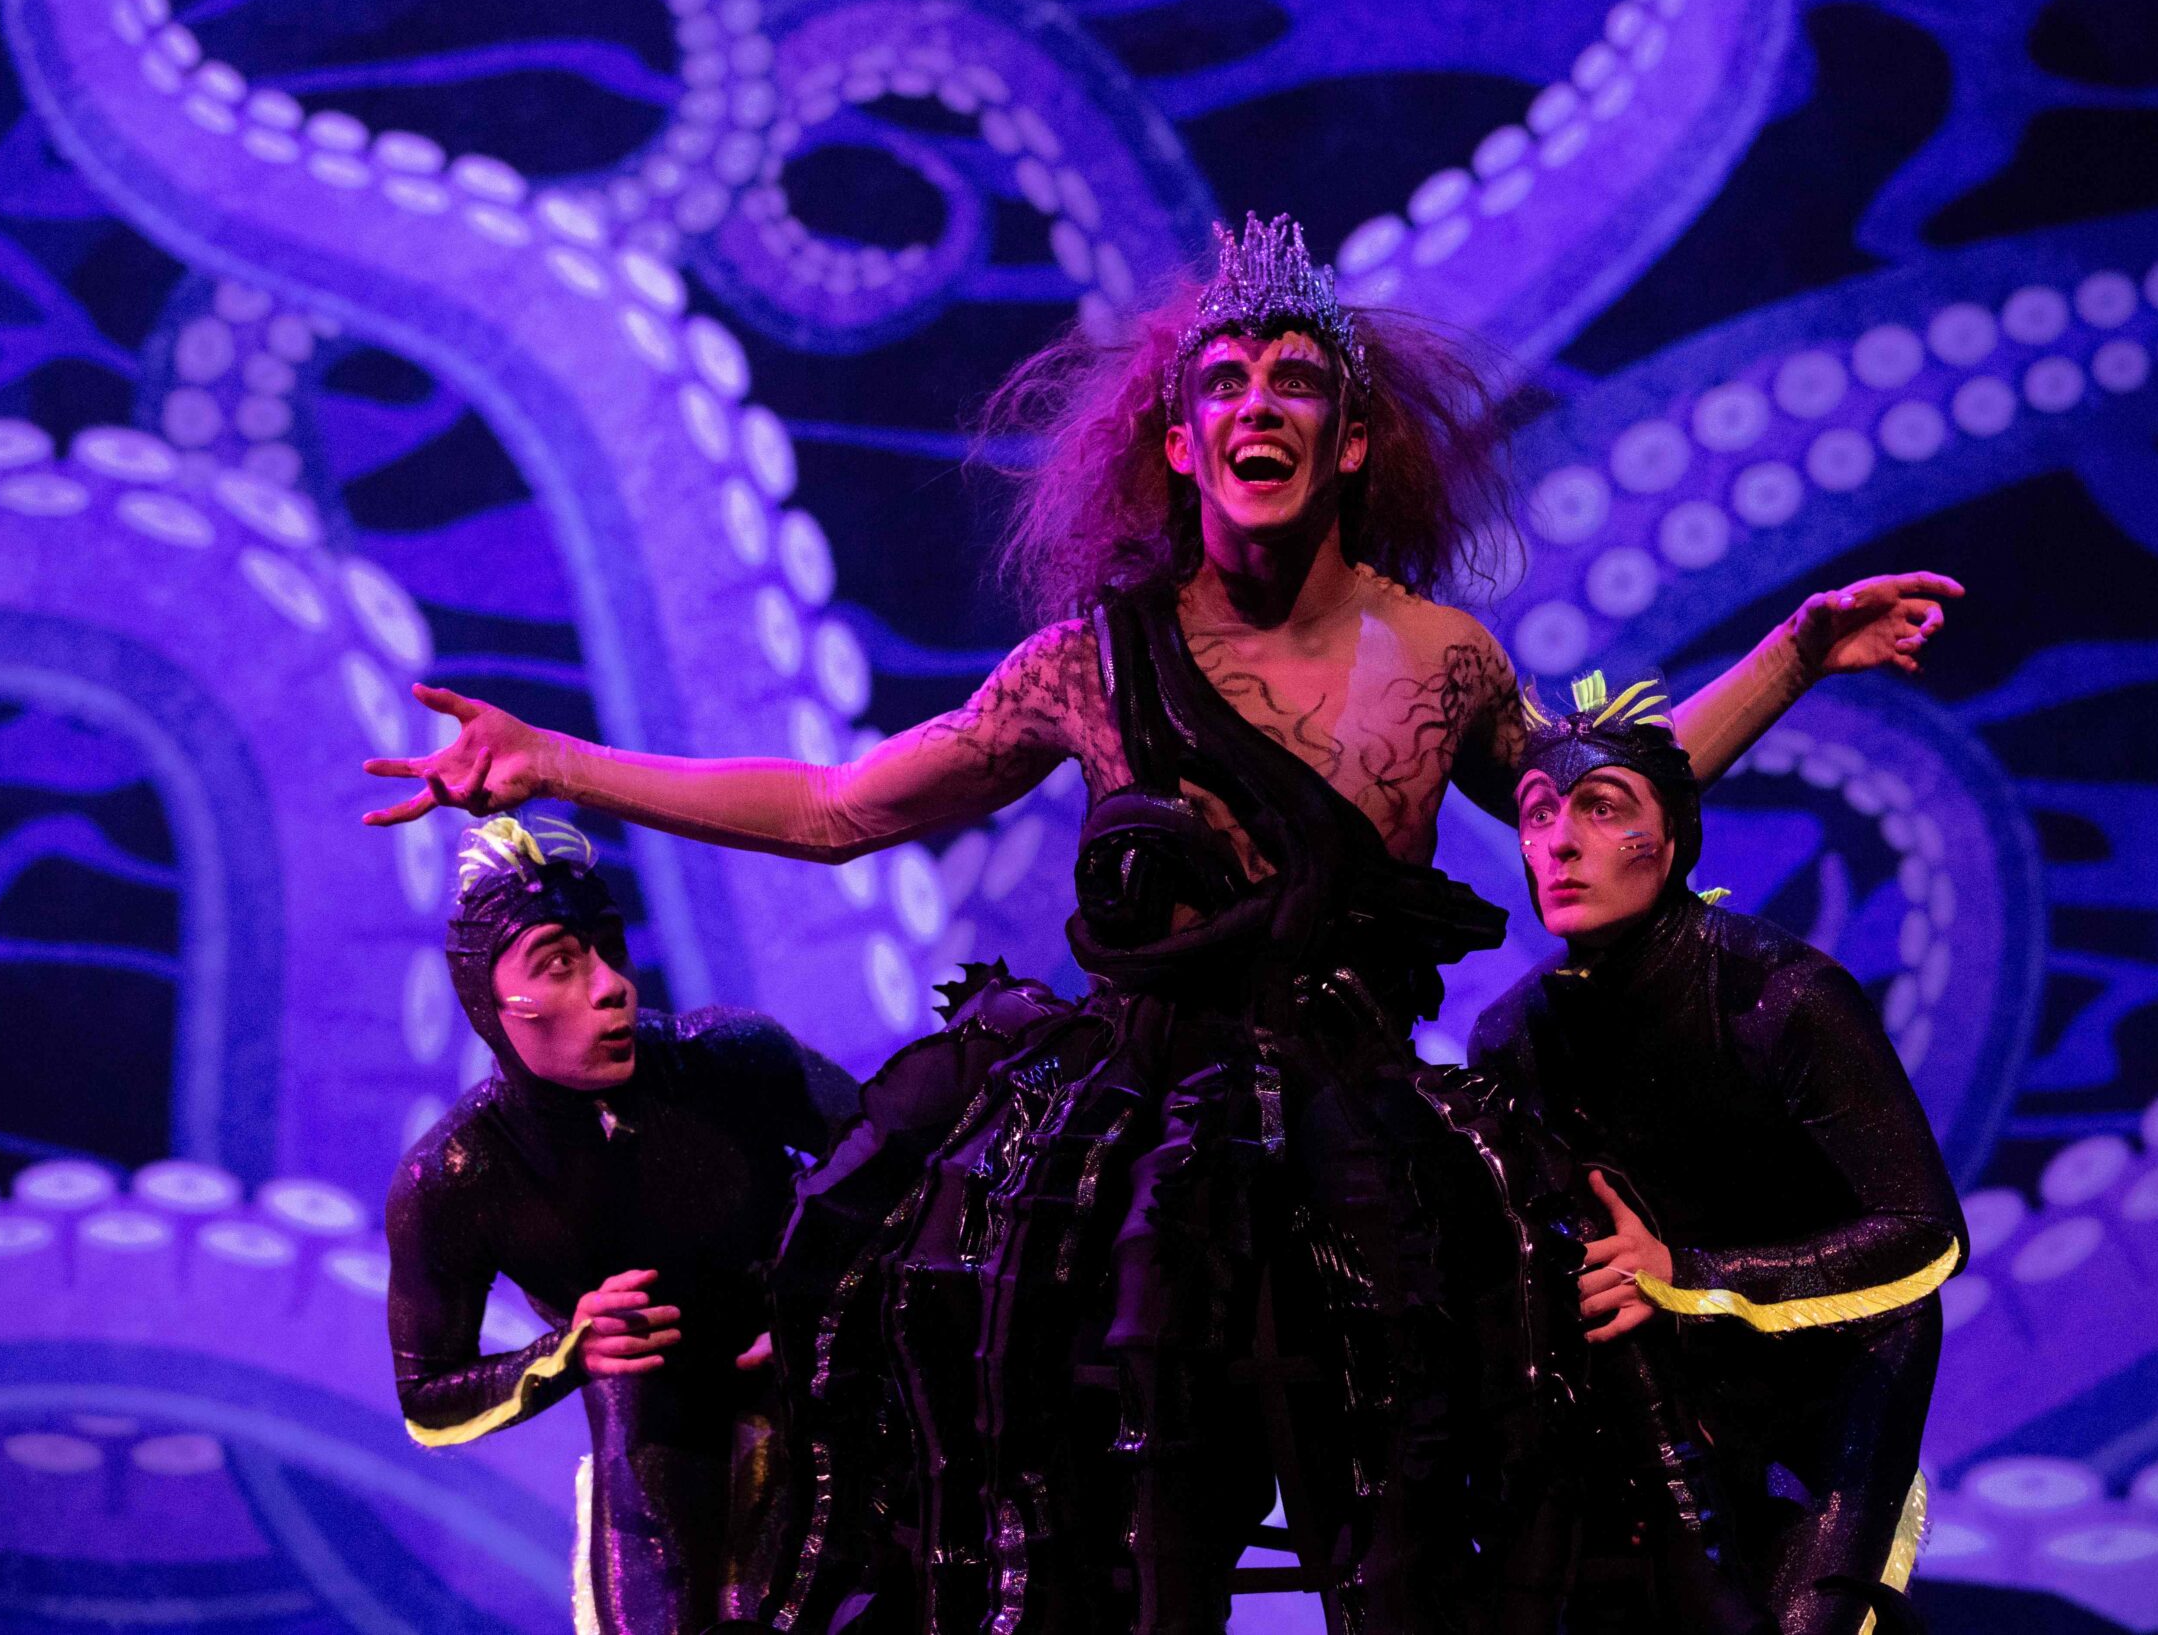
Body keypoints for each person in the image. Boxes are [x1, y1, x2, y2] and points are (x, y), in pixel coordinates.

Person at [362, 214, 1961, 1633]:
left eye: (1293, 383)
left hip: (1364, 1139)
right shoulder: (1089, 657)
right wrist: (558, 760)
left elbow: (1609, 802)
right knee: (1085, 1527)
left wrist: (1792, 659)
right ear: (1181, 445)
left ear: (1347, 441)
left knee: (1425, 1524)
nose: (1257, 403)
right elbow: (844, 807)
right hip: (1125, 1151)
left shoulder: (1444, 656)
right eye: (1226, 385)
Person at [1456, 674, 1966, 1635]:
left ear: (1676, 838)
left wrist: (1683, 1274)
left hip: (1834, 1368)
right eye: (1536, 815)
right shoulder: (1513, 1037)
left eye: (1603, 810)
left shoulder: (1784, 995)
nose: (1559, 841)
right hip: (1657, 1382)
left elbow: (1924, 1233)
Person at [383, 816, 858, 1635]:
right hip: (655, 1424)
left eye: (609, 947)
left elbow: (901, 1163)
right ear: (493, 1009)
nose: (611, 986)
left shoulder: (728, 1056)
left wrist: (829, 1309)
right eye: (560, 965)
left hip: (824, 1390)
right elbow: (427, 1400)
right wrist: (568, 1354)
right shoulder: (458, 1174)